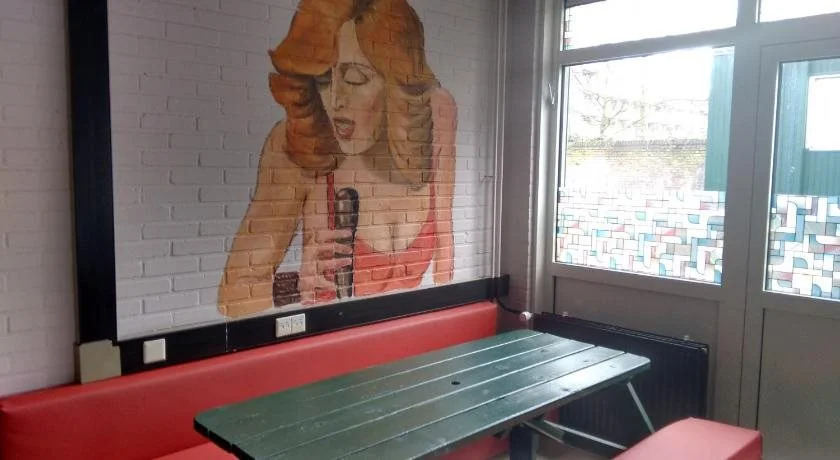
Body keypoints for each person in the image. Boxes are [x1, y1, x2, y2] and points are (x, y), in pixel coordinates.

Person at [217, 0, 457, 318]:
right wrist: (295, 285)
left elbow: (445, 254)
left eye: (355, 79)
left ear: (396, 82)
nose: (335, 100)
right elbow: (232, 295)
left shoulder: (436, 114)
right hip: (333, 333)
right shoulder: (300, 143)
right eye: (323, 80)